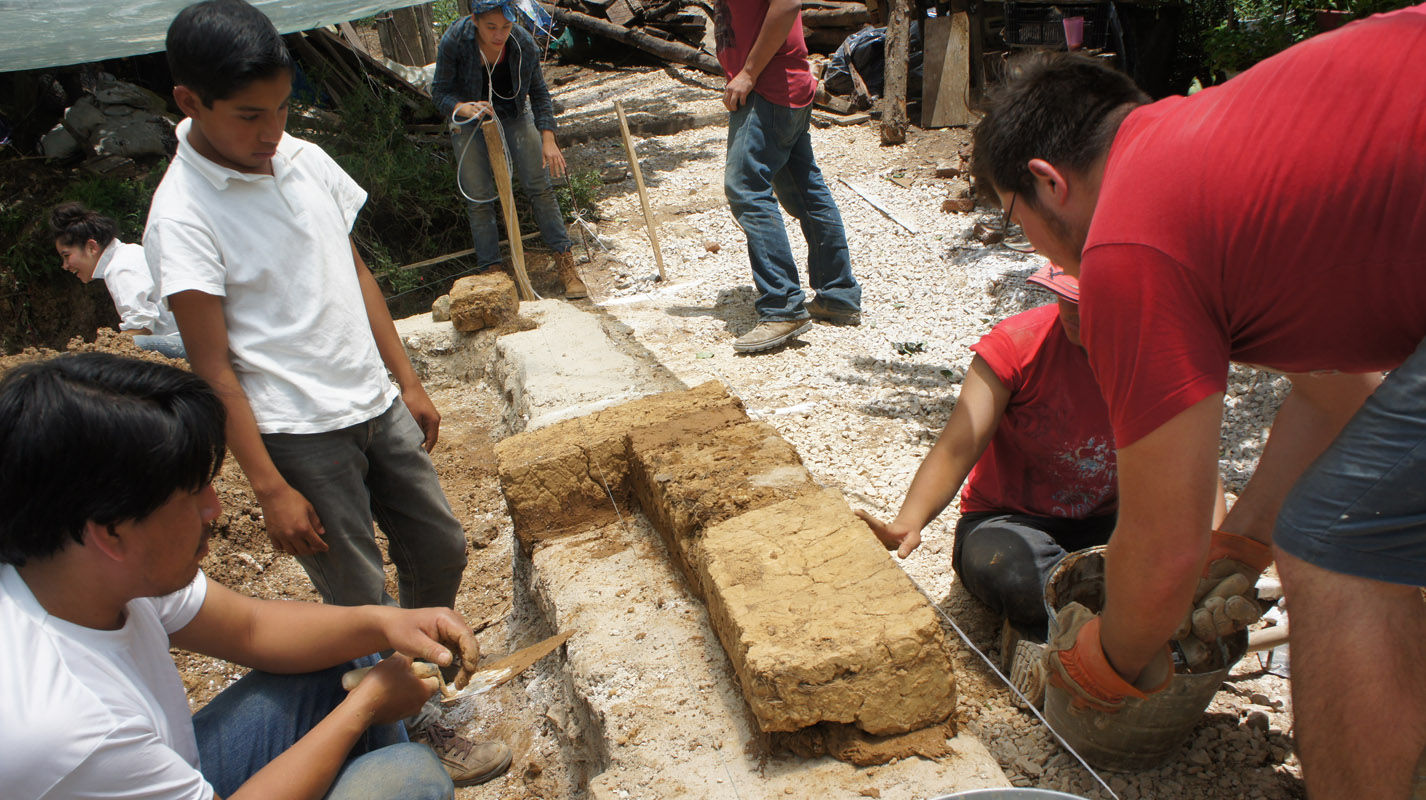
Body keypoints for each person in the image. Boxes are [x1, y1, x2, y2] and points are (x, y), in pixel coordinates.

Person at [971, 7, 1425, 796]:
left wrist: (1105, 666)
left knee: (1333, 548)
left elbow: (1164, 544)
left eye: (1019, 222)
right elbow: (1336, 398)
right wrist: (1242, 545)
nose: (1033, 249)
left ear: (1048, 180)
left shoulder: (1128, 238)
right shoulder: (1214, 156)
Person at [145, 1, 503, 782]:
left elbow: (357, 274)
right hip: (297, 432)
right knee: (354, 602)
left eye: (281, 107)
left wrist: (404, 379)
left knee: (438, 544)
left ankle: (417, 689)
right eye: (249, 116)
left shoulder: (303, 159)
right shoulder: (181, 217)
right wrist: (268, 486)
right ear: (189, 103)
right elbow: (213, 369)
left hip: (371, 402)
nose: (270, 130)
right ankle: (402, 733)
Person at [0, 352, 511, 799]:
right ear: (110, 531)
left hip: (163, 766)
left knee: (349, 646)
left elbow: (251, 628)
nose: (215, 509)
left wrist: (386, 623)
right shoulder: (67, 728)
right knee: (408, 780)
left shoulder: (86, 574)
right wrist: (365, 708)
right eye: (193, 494)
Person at [858, 264, 1224, 704]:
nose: (1071, 308)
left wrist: (1209, 561)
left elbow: (1197, 468)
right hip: (1009, 521)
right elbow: (958, 444)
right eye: (1064, 296)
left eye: (1087, 303)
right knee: (1016, 572)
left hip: (1112, 521)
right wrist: (910, 519)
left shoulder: (1161, 357)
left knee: (1166, 571)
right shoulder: (1017, 345)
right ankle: (1089, 636)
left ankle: (1095, 627)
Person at [714, 0, 862, 353]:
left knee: (746, 188)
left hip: (766, 88)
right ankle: (837, 294)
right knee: (805, 190)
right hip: (783, 86)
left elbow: (787, 3)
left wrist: (748, 72)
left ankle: (782, 306)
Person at [431, 0, 586, 298]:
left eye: (505, 26)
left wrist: (548, 138)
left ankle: (567, 266)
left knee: (540, 186)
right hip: (469, 120)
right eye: (491, 27)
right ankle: (492, 278)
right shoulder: (455, 39)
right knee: (478, 198)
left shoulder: (522, 43)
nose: (499, 34)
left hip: (514, 114)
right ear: (475, 20)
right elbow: (439, 92)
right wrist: (462, 108)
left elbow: (539, 91)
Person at [49, 202, 186, 358]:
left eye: (66, 256)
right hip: (189, 340)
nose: (65, 266)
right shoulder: (127, 255)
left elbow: (141, 325)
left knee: (118, 350)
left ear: (91, 247)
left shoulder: (119, 267)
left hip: (184, 343)